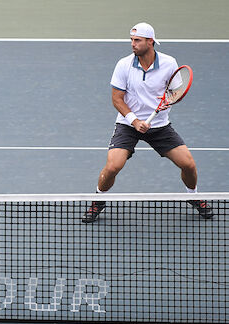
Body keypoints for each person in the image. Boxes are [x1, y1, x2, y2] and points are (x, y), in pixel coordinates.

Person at [81, 22, 213, 223]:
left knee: (189, 165)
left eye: (137, 40)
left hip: (159, 126)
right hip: (128, 124)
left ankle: (193, 196)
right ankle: (98, 199)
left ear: (150, 42)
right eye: (131, 40)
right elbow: (117, 99)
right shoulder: (123, 64)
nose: (132, 44)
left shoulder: (169, 63)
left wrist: (168, 102)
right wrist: (134, 121)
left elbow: (177, 92)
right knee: (113, 166)